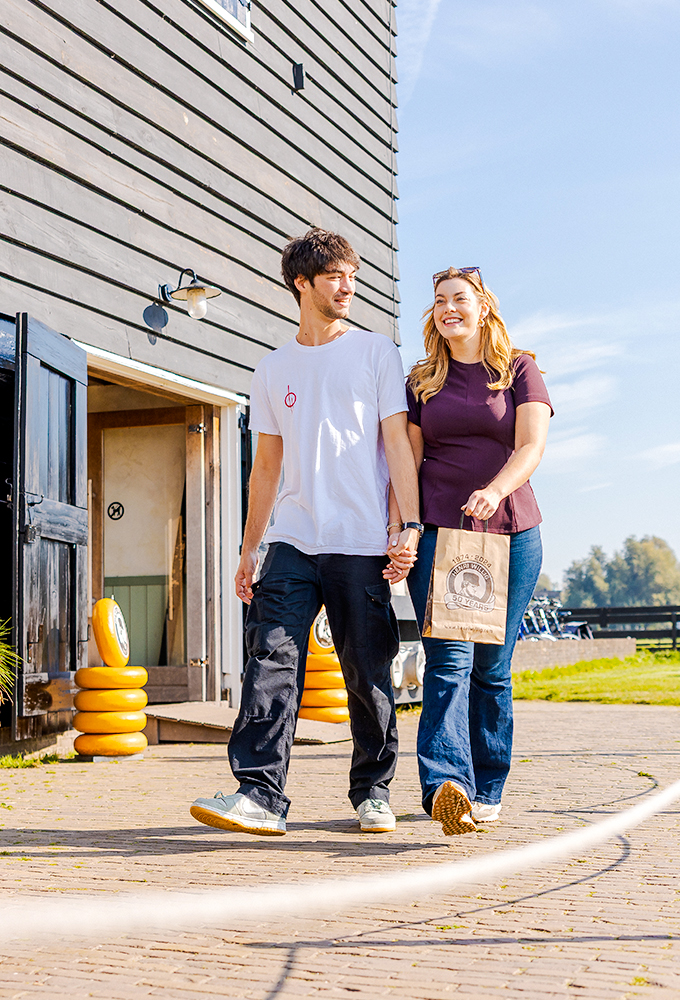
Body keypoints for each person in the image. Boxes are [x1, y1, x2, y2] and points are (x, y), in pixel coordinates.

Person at [190, 229, 421, 837]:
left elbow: (397, 443)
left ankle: (373, 790)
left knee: (367, 670)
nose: (349, 287)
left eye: (352, 276)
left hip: (363, 538)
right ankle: (260, 793)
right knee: (271, 656)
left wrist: (408, 524)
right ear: (302, 283)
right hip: (292, 539)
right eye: (336, 277)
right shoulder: (272, 368)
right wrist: (248, 549)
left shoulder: (376, 352)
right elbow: (265, 465)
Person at [404, 266, 551, 835]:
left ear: (482, 306)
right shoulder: (422, 381)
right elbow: (407, 462)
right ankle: (448, 787)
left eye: (458, 299)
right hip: (444, 534)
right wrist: (405, 526)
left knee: (491, 666)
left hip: (510, 533)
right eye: (438, 300)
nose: (447, 308)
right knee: (447, 661)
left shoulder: (518, 369)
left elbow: (532, 445)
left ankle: (487, 787)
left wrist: (495, 490)